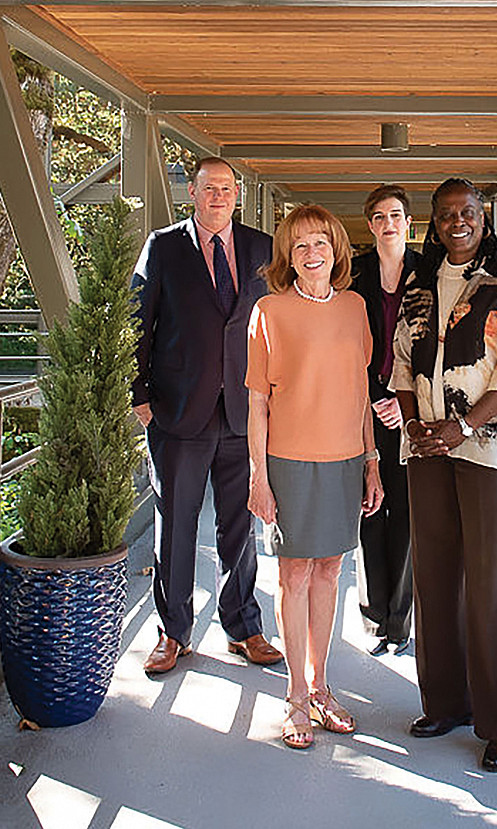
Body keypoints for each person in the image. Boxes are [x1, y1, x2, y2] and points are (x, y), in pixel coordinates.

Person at [390, 178, 497, 773]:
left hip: (492, 446)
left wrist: (464, 426)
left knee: (493, 582)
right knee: (434, 576)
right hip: (426, 445)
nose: (459, 220)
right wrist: (414, 426)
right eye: (448, 213)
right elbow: (402, 359)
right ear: (433, 221)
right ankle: (446, 703)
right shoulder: (416, 281)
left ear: (484, 217)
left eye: (470, 212)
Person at [132, 156, 284, 675]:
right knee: (174, 525)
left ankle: (243, 627)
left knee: (240, 524)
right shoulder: (164, 246)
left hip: (246, 412)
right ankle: (173, 632)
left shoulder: (262, 247)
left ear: (237, 194)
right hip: (178, 412)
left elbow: (281, 324)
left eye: (227, 187)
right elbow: (137, 323)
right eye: (209, 187)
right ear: (191, 193)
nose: (219, 196)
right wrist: (139, 396)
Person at [246, 204, 383, 750]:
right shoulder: (269, 311)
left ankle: (322, 686)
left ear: (336, 250)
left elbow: (361, 392)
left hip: (346, 459)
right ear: (288, 255)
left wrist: (372, 462)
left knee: (330, 572)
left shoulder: (354, 307)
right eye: (299, 245)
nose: (310, 253)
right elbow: (257, 403)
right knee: (294, 576)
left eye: (320, 243)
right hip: (290, 462)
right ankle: (296, 697)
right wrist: (259, 476)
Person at [350, 185, 419, 657]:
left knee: (409, 517)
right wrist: (376, 397)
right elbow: (344, 344)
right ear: (370, 226)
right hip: (364, 410)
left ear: (408, 223)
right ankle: (375, 617)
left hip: (415, 410)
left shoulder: (429, 273)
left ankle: (401, 619)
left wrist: (402, 398)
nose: (388, 223)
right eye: (379, 216)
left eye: (396, 215)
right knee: (371, 513)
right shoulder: (353, 277)